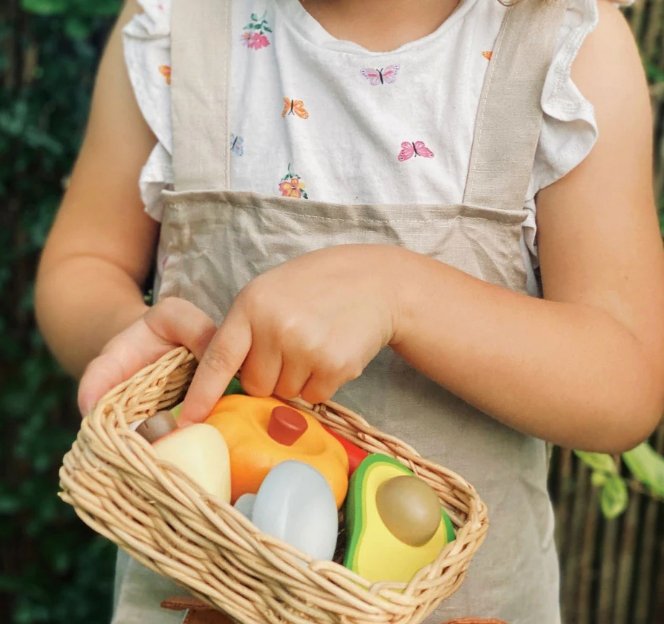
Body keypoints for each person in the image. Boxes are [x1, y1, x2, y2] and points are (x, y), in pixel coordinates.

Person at [35, 0, 664, 622]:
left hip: (467, 606)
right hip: (199, 599)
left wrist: (403, 295)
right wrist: (135, 340)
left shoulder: (568, 49)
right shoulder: (177, 24)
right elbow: (83, 265)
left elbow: (625, 380)